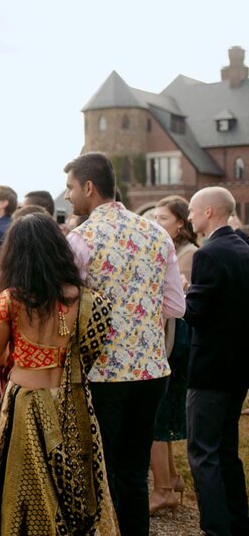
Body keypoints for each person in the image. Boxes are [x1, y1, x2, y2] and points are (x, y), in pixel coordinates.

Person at [63, 152, 184, 536]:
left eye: (69, 188)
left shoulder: (80, 239)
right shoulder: (156, 232)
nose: (67, 197)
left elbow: (67, 302)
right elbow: (175, 306)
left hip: (104, 371)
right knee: (133, 471)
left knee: (104, 468)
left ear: (88, 187)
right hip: (152, 369)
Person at [0, 214, 117, 534]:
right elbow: (90, 350)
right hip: (73, 403)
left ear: (15, 253)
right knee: (72, 484)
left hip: (25, 402)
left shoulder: (12, 299)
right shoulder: (84, 298)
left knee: (26, 487)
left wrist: (18, 354)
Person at [184, 186, 249, 535]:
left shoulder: (208, 254)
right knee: (226, 450)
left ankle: (215, 528)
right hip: (239, 368)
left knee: (203, 451)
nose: (190, 217)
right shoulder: (244, 248)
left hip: (210, 369)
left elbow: (197, 313)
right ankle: (238, 521)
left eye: (193, 211)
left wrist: (182, 293)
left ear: (209, 212)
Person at [148, 195, 197, 516]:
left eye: (163, 218)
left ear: (181, 224)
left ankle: (163, 489)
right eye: (153, 217)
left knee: (157, 419)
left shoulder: (189, 254)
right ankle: (172, 478)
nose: (156, 223)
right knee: (159, 417)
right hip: (168, 339)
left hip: (173, 342)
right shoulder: (167, 248)